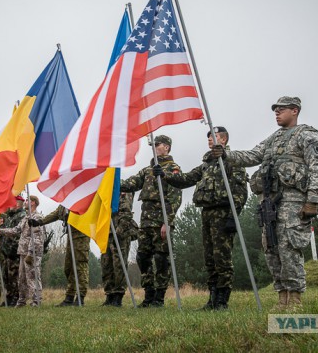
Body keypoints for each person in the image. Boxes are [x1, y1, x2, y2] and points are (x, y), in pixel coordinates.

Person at [223, 96, 318, 308]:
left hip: (294, 201)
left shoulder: (306, 135)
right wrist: (225, 154)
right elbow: (253, 155)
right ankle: (282, 297)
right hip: (270, 203)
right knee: (271, 248)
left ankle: (295, 299)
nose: (277, 113)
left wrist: (313, 200)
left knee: (290, 248)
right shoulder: (273, 138)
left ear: (295, 110)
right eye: (275, 110)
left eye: (281, 110)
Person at [159, 126, 248, 310]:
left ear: (223, 140)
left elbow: (240, 191)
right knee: (210, 258)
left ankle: (222, 301)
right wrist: (165, 176)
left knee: (222, 258)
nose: (209, 139)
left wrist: (234, 217)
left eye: (213, 136)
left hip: (223, 214)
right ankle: (212, 299)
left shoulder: (233, 161)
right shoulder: (206, 164)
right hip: (207, 213)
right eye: (208, 136)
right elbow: (186, 179)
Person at [121, 134, 182, 308]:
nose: (155, 146)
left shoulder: (173, 168)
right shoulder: (148, 170)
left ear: (167, 147)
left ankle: (159, 298)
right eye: (154, 144)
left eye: (158, 144)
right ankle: (149, 295)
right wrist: (113, 181)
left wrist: (167, 222)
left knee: (161, 258)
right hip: (146, 222)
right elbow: (131, 183)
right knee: (142, 257)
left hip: (160, 222)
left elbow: (175, 197)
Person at [30, 205, 90, 306]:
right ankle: (69, 297)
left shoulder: (80, 194)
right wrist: (40, 222)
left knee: (80, 265)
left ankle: (80, 297)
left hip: (81, 234)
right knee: (68, 267)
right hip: (71, 234)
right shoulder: (66, 201)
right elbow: (56, 213)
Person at [0, 195, 45, 307]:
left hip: (32, 253)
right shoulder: (25, 218)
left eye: (28, 200)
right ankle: (21, 300)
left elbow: (38, 238)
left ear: (33, 202)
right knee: (22, 278)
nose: (25, 202)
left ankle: (36, 300)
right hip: (22, 252)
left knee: (33, 277)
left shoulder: (37, 217)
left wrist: (30, 253)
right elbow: (15, 230)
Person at [100, 192, 138, 307]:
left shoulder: (123, 191)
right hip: (106, 233)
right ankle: (109, 295)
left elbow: (126, 214)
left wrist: (119, 232)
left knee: (119, 265)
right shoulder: (105, 191)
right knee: (106, 264)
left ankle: (118, 296)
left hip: (120, 234)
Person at [0, 196, 26, 306]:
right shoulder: (11, 217)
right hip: (7, 252)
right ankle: (9, 297)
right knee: (7, 276)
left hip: (14, 252)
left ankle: (16, 298)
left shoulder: (21, 216)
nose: (9, 206)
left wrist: (12, 250)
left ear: (17, 204)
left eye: (11, 204)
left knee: (15, 277)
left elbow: (17, 234)